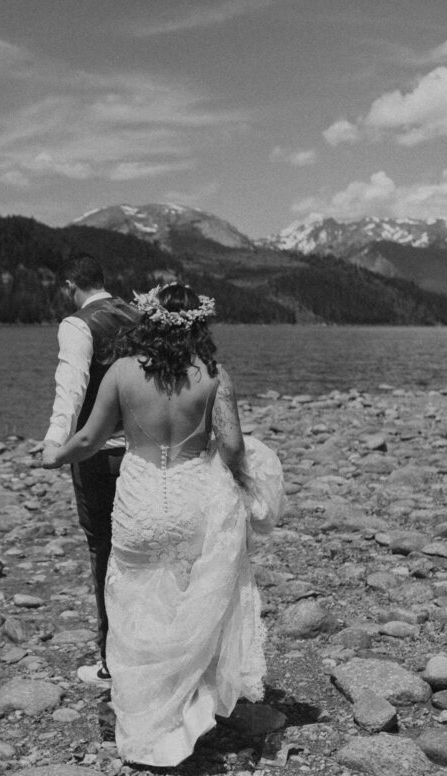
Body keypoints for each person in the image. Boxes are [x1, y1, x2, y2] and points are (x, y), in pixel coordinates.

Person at [43, 282, 281, 767]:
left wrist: (55, 454)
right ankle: (187, 711)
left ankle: (145, 716)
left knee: (133, 600)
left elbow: (90, 436)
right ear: (200, 324)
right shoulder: (213, 374)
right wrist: (238, 476)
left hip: (139, 499)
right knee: (189, 600)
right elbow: (233, 447)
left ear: (149, 320)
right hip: (193, 496)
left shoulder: (123, 372)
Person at [40, 253, 141, 686]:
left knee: (104, 550)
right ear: (104, 280)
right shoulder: (139, 315)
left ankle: (110, 661)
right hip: (145, 450)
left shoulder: (77, 324)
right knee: (143, 551)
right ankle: (151, 652)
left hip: (97, 454)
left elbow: (72, 385)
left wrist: (53, 442)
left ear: (70, 286)